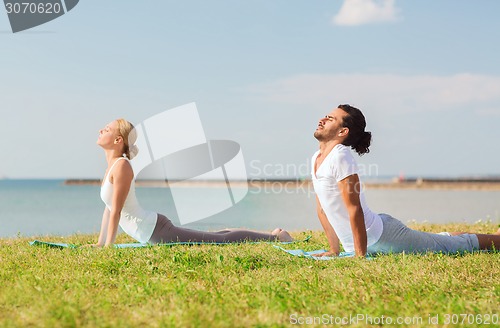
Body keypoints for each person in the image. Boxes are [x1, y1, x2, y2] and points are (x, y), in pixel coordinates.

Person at [312, 104, 500, 257]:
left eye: (331, 119)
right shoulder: (316, 159)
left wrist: (360, 256)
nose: (322, 119)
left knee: (454, 246)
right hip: (365, 240)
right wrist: (333, 250)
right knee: (441, 240)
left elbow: (354, 208)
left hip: (383, 236)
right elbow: (322, 209)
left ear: (343, 131)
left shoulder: (340, 156)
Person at [90, 118, 292, 247]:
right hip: (151, 230)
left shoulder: (122, 167)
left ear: (118, 140)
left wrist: (109, 247)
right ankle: (270, 235)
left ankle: (276, 238)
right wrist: (101, 243)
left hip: (156, 231)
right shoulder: (112, 166)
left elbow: (116, 210)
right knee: (216, 236)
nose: (101, 130)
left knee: (219, 240)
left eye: (106, 129)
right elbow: (109, 208)